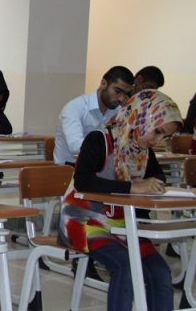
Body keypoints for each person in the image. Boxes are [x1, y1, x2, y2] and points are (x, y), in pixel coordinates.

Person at [58, 89, 182, 311]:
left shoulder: (141, 148)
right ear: (140, 117)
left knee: (160, 273)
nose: (158, 140)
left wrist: (154, 184)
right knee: (125, 267)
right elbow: (83, 181)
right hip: (83, 222)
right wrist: (133, 187)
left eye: (165, 137)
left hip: (124, 226)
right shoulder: (99, 139)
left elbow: (157, 175)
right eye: (157, 132)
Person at [53, 66, 134, 166]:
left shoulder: (118, 110)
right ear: (103, 84)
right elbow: (76, 146)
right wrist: (111, 147)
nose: (121, 99)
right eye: (117, 91)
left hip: (102, 169)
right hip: (70, 169)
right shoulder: (74, 108)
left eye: (126, 94)